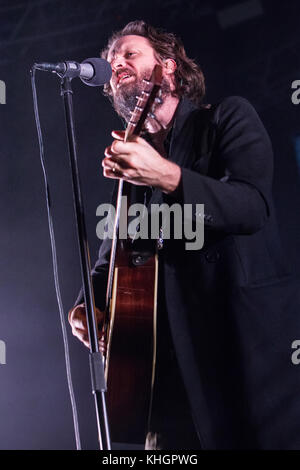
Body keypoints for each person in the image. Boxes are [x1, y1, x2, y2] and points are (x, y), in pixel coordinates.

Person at [68, 20, 300, 449]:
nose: (116, 63)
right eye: (112, 60)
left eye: (129, 54)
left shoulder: (227, 118)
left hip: (240, 360)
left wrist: (168, 176)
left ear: (168, 68)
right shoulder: (131, 177)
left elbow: (251, 208)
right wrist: (87, 308)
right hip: (165, 383)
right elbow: (110, 265)